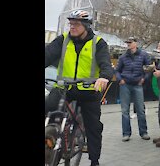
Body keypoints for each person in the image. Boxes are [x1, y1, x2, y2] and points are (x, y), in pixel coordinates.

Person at [45, 10, 113, 166]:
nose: (72, 27)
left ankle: (94, 161)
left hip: (89, 91)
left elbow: (106, 64)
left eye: (76, 24)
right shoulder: (63, 40)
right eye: (71, 23)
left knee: (93, 126)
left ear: (86, 26)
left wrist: (104, 77)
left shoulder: (98, 43)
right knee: (47, 107)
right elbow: (47, 55)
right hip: (64, 88)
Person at [115, 36, 151, 142]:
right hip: (125, 84)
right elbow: (117, 70)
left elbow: (149, 69)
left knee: (140, 109)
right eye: (127, 42)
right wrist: (120, 79)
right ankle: (126, 134)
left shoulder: (144, 55)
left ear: (136, 43)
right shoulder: (123, 57)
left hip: (138, 84)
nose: (128, 44)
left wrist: (144, 79)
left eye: (130, 42)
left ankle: (143, 132)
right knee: (125, 110)